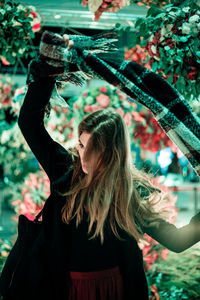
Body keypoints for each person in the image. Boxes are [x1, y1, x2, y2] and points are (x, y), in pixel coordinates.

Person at [15, 35, 200, 300]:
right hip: (62, 288)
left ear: (113, 154)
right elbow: (29, 124)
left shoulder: (131, 192)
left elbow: (178, 241)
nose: (83, 157)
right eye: (80, 145)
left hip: (117, 291)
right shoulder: (65, 170)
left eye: (92, 150)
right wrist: (46, 73)